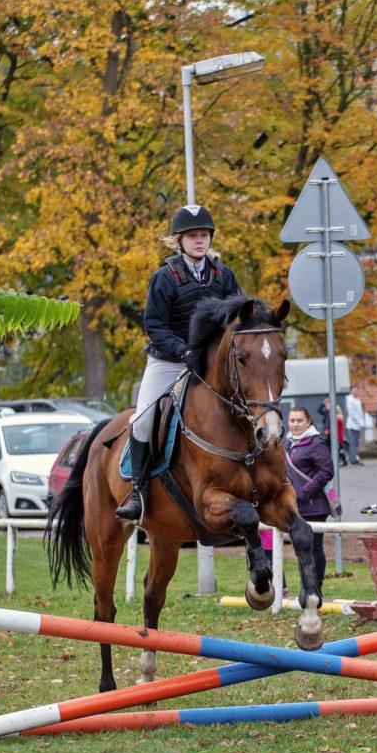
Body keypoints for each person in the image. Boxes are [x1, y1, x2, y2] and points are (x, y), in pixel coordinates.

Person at [116, 205, 241, 522]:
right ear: (179, 241)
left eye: (204, 235)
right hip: (169, 362)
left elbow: (237, 317)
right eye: (192, 236)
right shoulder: (164, 277)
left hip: (210, 363)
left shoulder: (224, 275)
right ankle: (138, 492)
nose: (199, 241)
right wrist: (184, 352)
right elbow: (154, 325)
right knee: (142, 420)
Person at [285, 406, 333, 595]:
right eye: (292, 420)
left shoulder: (316, 443)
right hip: (295, 506)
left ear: (308, 421)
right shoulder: (287, 443)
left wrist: (305, 492)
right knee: (301, 549)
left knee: (314, 548)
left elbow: (326, 471)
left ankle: (315, 589)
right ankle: (306, 588)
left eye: (299, 420)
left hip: (314, 506)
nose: (295, 424)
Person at [345, 385, 365, 465]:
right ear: (351, 391)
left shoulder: (357, 400)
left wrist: (361, 422)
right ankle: (353, 459)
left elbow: (360, 413)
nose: (355, 391)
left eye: (357, 390)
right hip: (353, 425)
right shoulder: (350, 400)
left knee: (356, 443)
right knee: (353, 443)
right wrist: (359, 422)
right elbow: (352, 414)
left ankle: (355, 458)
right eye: (354, 390)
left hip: (358, 425)